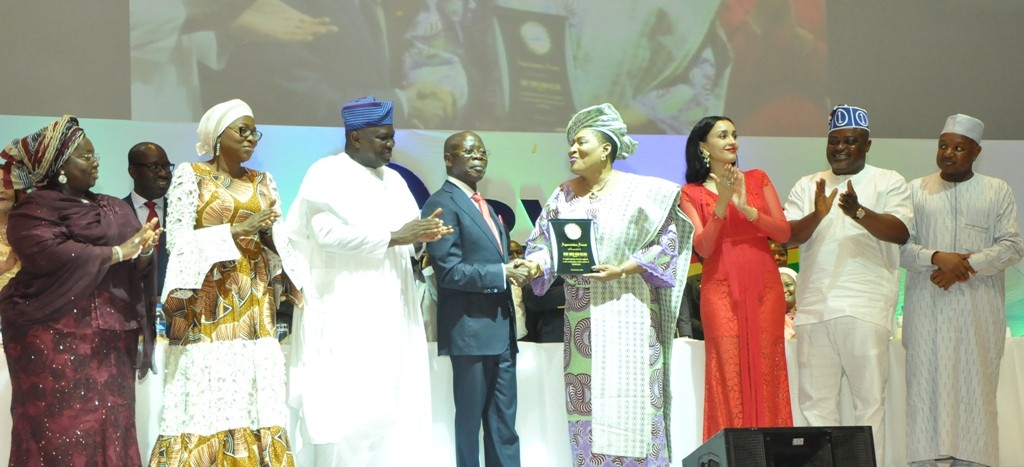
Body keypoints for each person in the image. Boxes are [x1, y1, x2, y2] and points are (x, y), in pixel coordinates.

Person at [519, 103, 694, 465]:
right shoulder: (564, 194)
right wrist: (534, 265)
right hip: (582, 319)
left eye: (580, 141)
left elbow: (668, 245)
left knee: (637, 405)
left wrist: (624, 268)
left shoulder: (646, 192)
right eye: (569, 144)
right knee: (590, 409)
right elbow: (545, 245)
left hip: (631, 312)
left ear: (606, 148)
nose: (571, 150)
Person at [286, 96, 452, 466]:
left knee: (390, 402)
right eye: (383, 137)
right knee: (351, 404)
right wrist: (395, 236)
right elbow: (327, 235)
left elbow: (408, 235)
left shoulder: (393, 179)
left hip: (392, 306)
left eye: (392, 137)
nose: (391, 144)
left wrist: (425, 237)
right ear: (355, 137)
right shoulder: (326, 173)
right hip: (345, 307)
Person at [148, 99, 302, 466]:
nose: (252, 138)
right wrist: (236, 230)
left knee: (252, 389)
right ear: (218, 136)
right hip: (208, 300)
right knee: (208, 389)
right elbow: (179, 241)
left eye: (254, 131)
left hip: (253, 296)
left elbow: (278, 239)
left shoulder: (264, 180)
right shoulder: (191, 175)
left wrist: (280, 255)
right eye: (242, 130)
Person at [0, 115, 160, 466]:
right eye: (85, 156)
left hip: (111, 339)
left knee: (112, 425)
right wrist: (120, 251)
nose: (95, 161)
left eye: (95, 154)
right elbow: (51, 255)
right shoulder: (33, 211)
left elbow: (134, 264)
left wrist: (144, 249)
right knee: (60, 427)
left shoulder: (113, 206)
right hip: (54, 338)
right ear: (60, 167)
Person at [783, 105, 912, 465]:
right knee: (815, 407)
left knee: (868, 404)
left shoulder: (889, 181)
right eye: (835, 141)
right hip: (813, 310)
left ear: (867, 145)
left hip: (865, 308)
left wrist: (858, 211)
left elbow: (900, 232)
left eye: (851, 141)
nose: (841, 148)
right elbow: (788, 237)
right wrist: (819, 213)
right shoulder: (807, 184)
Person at [900, 114, 1023, 467]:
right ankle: (924, 461)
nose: (948, 153)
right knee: (925, 388)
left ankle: (973, 461)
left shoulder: (996, 190)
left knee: (975, 389)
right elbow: (901, 248)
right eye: (943, 146)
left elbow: (1013, 246)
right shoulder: (915, 190)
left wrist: (963, 267)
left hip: (977, 311)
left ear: (976, 152)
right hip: (928, 309)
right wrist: (936, 259)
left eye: (958, 147)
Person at [678, 116, 793, 441]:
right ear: (703, 146)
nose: (732, 141)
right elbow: (703, 247)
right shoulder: (691, 193)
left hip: (764, 287)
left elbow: (783, 233)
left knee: (767, 369)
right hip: (721, 289)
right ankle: (734, 454)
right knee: (727, 373)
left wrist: (747, 208)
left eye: (734, 135)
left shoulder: (758, 179)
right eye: (722, 135)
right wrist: (724, 202)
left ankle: (772, 453)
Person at [422, 130, 522, 467]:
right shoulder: (440, 203)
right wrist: (501, 274)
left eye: (482, 150)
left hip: (502, 332)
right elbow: (448, 272)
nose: (478, 156)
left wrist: (513, 268)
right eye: (468, 151)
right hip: (469, 334)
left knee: (504, 425)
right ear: (449, 159)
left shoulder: (487, 207)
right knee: (469, 424)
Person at [125, 142, 172, 297]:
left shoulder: (182, 212)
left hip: (176, 312)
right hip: (128, 310)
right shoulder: (115, 212)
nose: (164, 174)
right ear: (133, 171)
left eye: (166, 167)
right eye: (154, 167)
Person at [779, 267, 797, 340]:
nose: (783, 290)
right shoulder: (769, 323)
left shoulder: (810, 314)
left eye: (788, 285)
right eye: (778, 285)